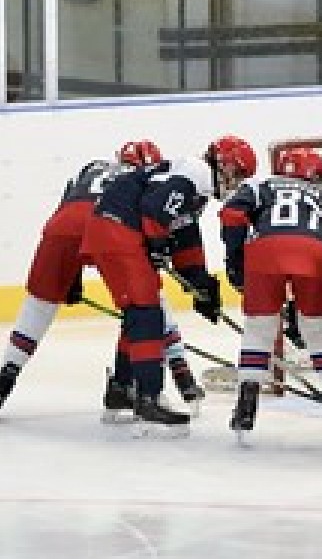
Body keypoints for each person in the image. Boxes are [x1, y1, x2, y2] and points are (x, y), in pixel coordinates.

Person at [0, 141, 206, 422]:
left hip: (60, 230)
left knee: (38, 308)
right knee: (145, 302)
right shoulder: (146, 181)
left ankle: (1, 384)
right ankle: (179, 377)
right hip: (106, 227)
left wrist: (71, 278)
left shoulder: (89, 169)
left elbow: (66, 205)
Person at [78, 141, 231, 436]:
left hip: (113, 230)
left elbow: (184, 234)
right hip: (118, 230)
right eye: (236, 174)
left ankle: (122, 389)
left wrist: (201, 283)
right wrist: (158, 244)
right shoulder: (197, 173)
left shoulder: (194, 184)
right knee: (147, 313)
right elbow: (154, 211)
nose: (234, 183)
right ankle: (148, 399)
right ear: (223, 166)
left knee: (138, 314)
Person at [221, 146, 322, 442]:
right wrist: (302, 303)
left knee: (260, 328)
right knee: (317, 327)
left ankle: (246, 407)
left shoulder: (260, 184)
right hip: (313, 252)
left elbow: (231, 213)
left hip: (264, 251)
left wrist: (234, 258)